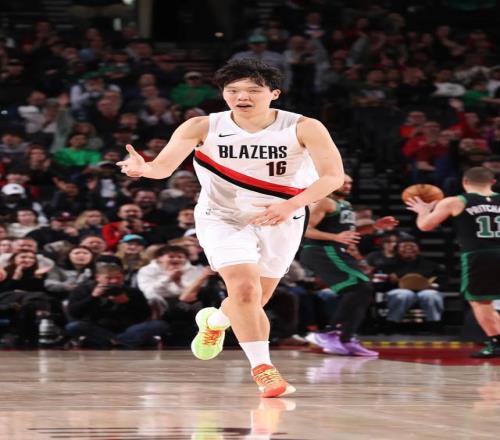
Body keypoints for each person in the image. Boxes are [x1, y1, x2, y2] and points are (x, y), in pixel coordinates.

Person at [117, 59, 344, 397]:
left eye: (253, 90)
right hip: (222, 216)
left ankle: (215, 321)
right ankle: (264, 370)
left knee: (255, 300)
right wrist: (143, 169)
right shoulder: (201, 126)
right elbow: (162, 167)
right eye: (233, 90)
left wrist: (290, 205)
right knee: (245, 291)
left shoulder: (303, 127)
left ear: (274, 93)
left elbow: (333, 177)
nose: (242, 97)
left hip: (282, 216)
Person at [406, 166, 500, 357]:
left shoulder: (455, 201)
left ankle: (496, 344)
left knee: (481, 302)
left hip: (478, 255)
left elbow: (425, 226)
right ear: (493, 182)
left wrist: (423, 211)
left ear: (465, 182)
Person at [300, 175, 398, 356]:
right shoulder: (324, 201)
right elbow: (306, 229)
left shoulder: (345, 205)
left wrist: (375, 227)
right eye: (344, 182)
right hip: (321, 250)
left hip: (335, 251)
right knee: (360, 286)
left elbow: (349, 233)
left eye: (350, 183)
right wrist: (334, 237)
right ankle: (329, 334)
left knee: (363, 289)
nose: (347, 185)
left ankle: (345, 338)